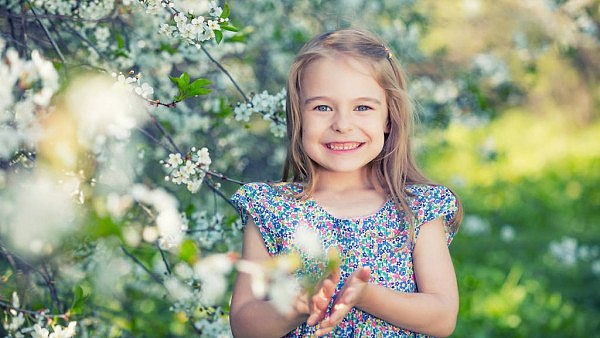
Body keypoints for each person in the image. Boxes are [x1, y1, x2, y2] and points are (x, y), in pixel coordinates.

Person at [229, 28, 463, 337]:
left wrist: (364, 295)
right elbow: (245, 327)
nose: (342, 125)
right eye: (322, 107)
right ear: (299, 116)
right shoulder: (271, 209)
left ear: (388, 117)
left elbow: (442, 317)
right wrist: (298, 304)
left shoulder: (416, 209)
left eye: (362, 107)